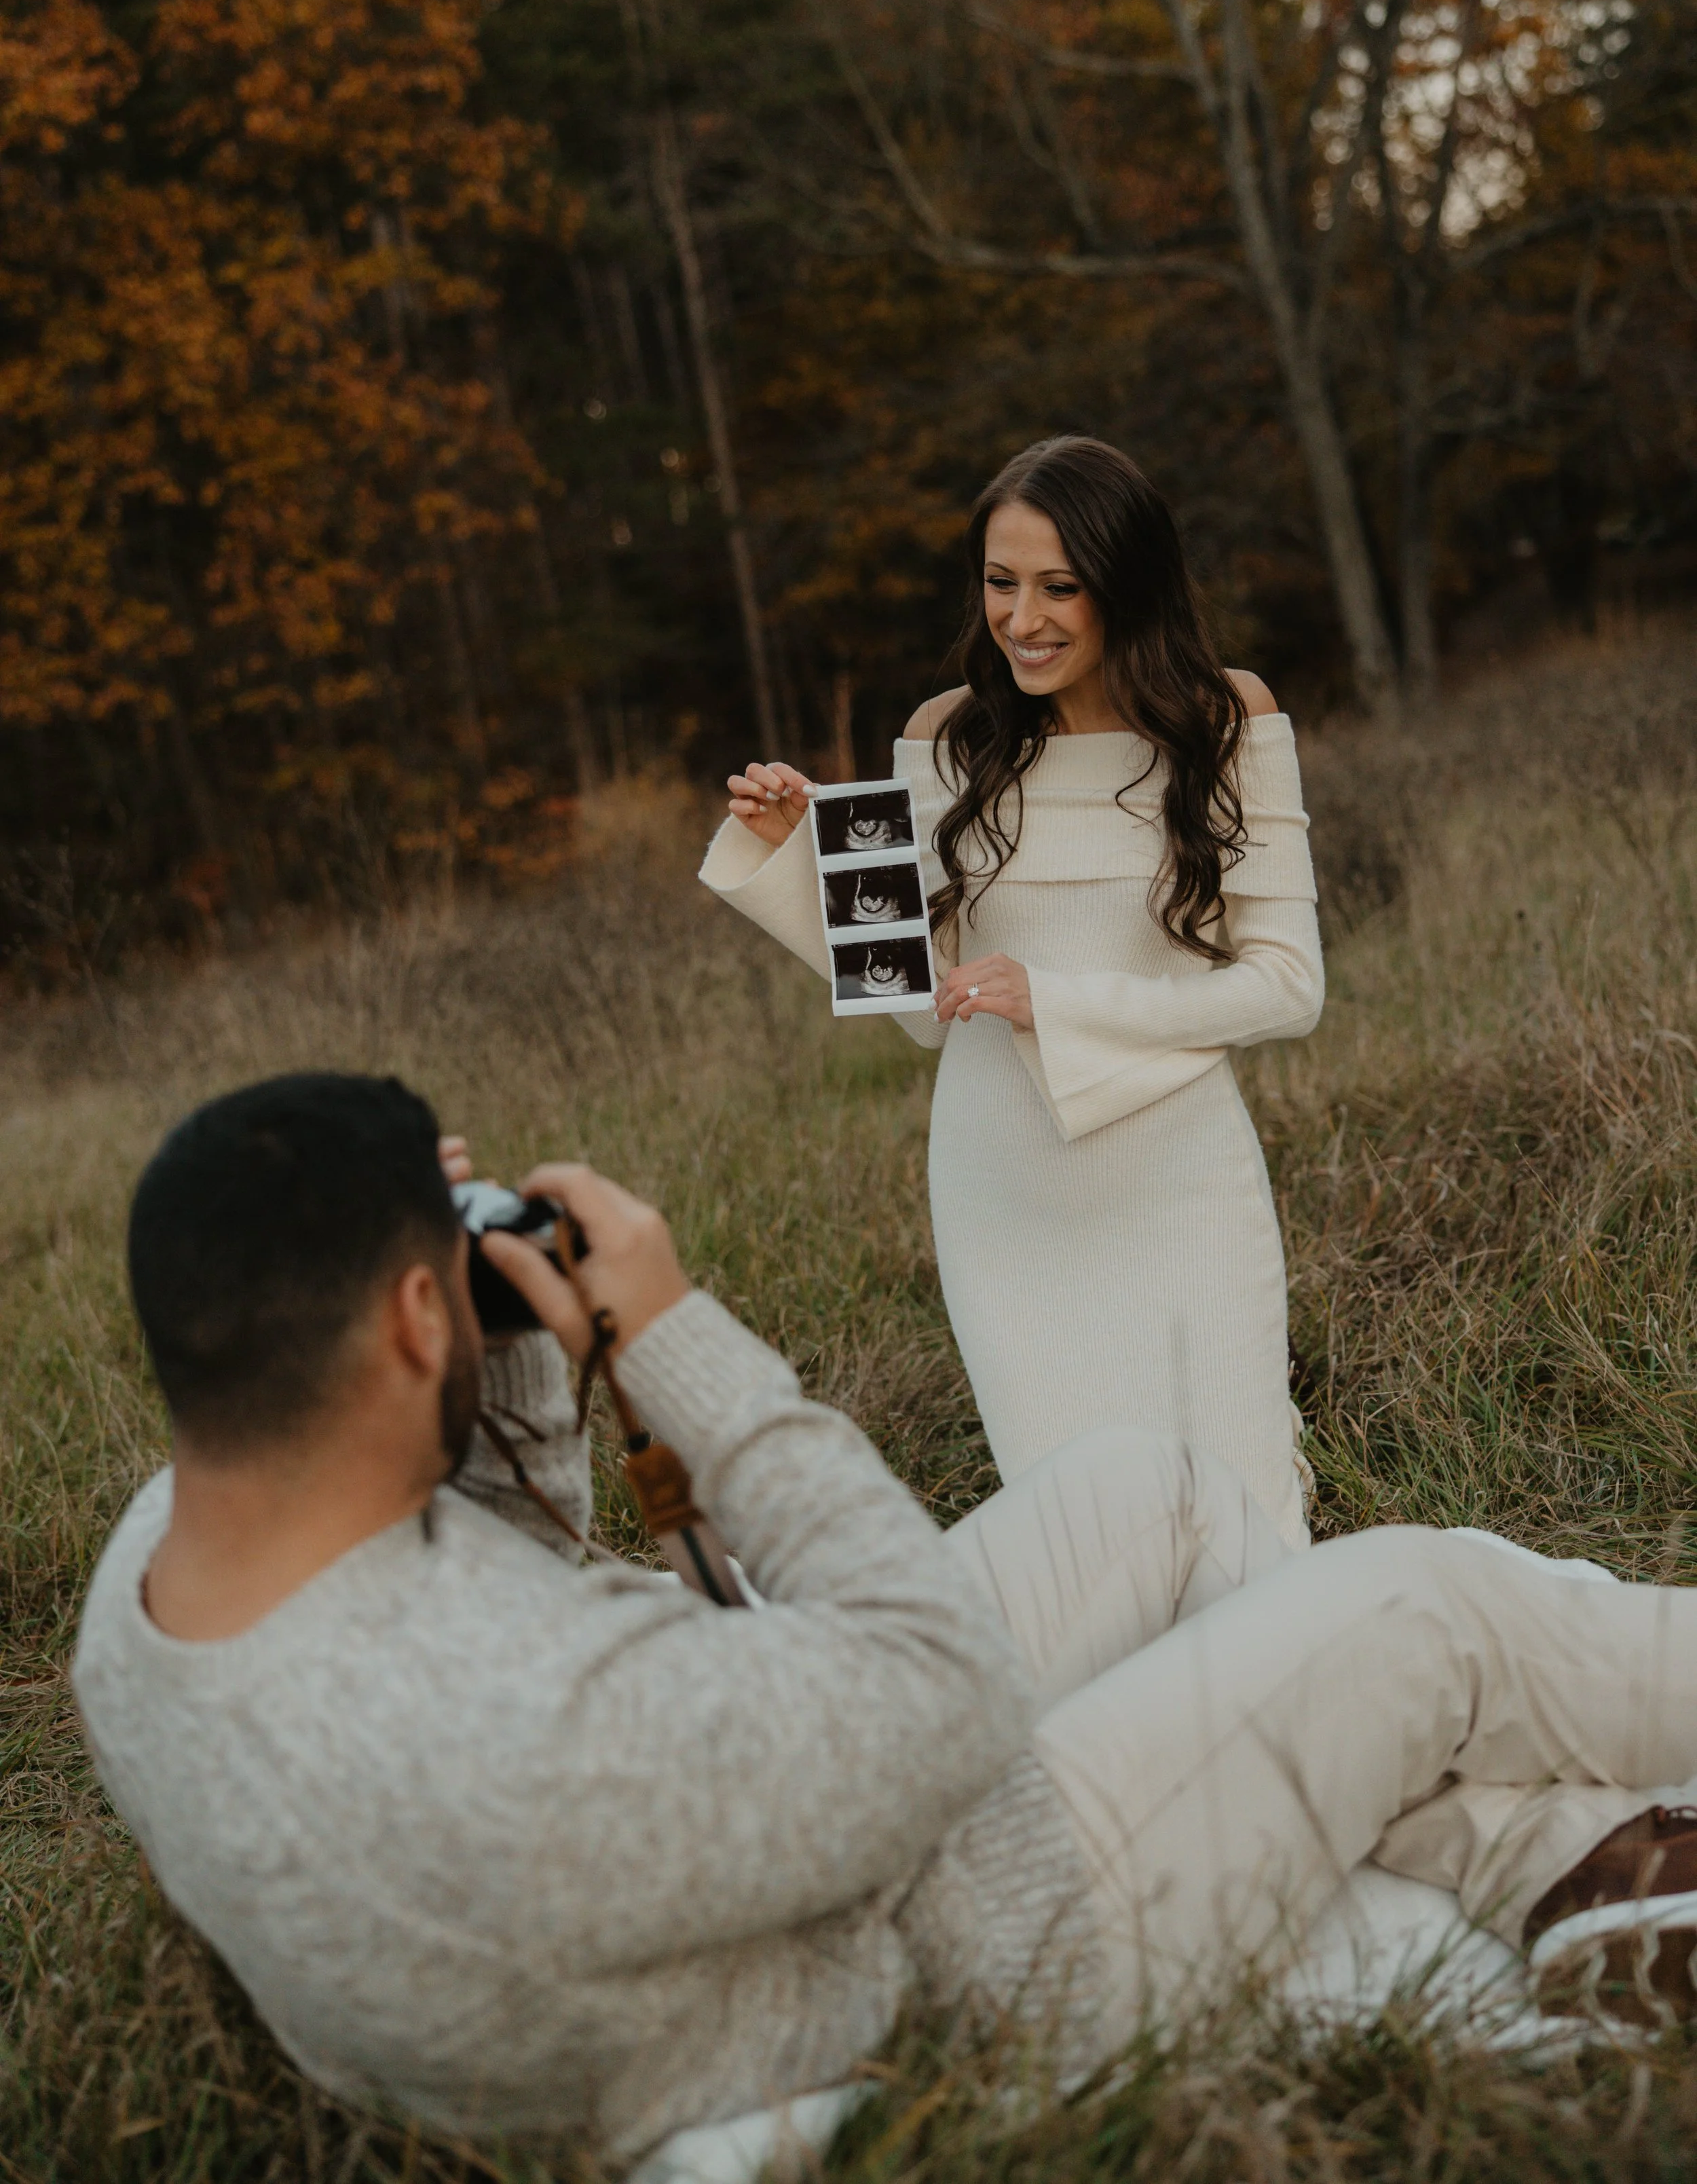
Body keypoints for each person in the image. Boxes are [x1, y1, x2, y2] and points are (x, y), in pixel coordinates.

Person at [75, 1073, 1697, 2166]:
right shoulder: (534, 1726)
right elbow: (942, 1684)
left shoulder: (157, 1574)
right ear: (413, 1308)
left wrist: (488, 1351)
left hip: (770, 1840)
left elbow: (477, 1569)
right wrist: (678, 1347)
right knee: (1430, 1603)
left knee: (1148, 1486)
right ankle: (1586, 1842)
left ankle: (1557, 1856)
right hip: (981, 1940)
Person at [703, 437, 1323, 1546]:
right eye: (1000, 582)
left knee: (1247, 1530)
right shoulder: (945, 737)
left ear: (1124, 586)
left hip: (1181, 1178)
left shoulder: (1227, 720)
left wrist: (1059, 999)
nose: (1021, 618)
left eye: (1059, 587)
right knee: (1090, 1545)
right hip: (1003, 1193)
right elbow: (917, 1008)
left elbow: (1289, 987)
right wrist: (810, 854)